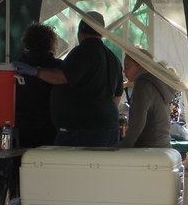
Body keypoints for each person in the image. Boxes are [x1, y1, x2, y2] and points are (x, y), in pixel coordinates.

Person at [32, 11, 123, 147]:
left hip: (83, 130)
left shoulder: (84, 51)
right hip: (109, 126)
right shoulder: (113, 58)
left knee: (70, 167)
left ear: (80, 30)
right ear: (102, 32)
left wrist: (35, 71)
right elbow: (116, 98)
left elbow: (62, 76)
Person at [12, 22, 64, 148]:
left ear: (26, 41)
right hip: (49, 125)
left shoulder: (15, 66)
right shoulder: (58, 67)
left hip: (20, 125)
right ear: (51, 43)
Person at [117, 49, 177, 148]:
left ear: (140, 66)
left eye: (127, 67)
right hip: (162, 144)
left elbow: (138, 120)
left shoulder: (143, 85)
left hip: (150, 147)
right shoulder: (155, 82)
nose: (124, 71)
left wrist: (125, 145)